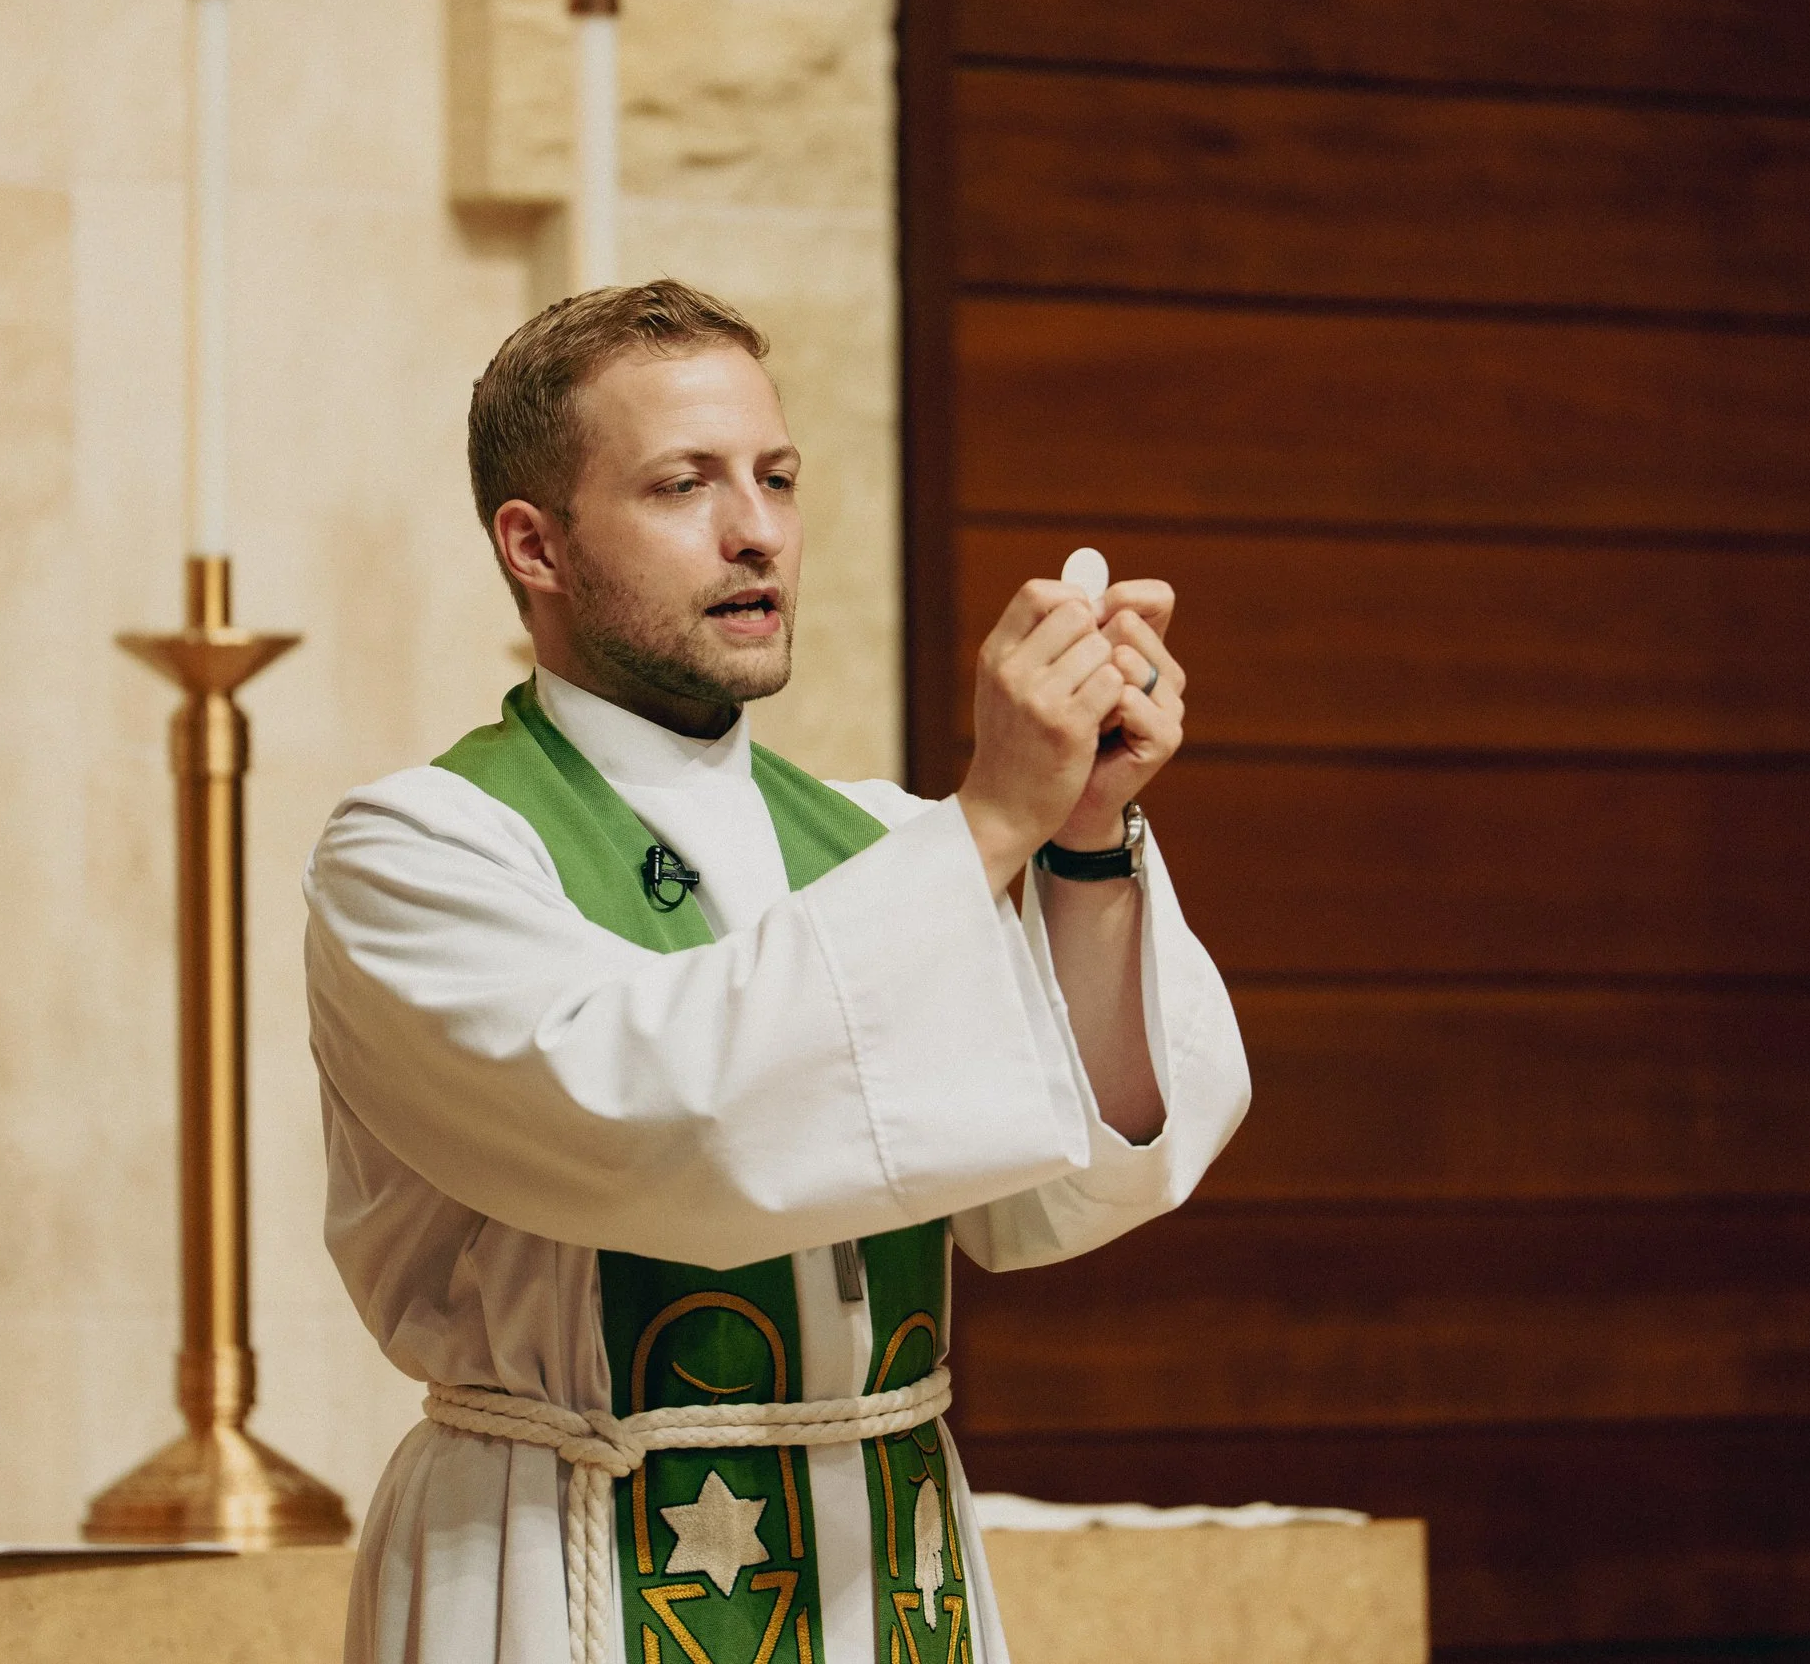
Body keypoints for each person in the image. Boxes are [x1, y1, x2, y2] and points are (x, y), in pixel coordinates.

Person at [305, 280, 1250, 1664]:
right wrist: (994, 820)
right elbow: (665, 1130)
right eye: (683, 484)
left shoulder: (873, 842)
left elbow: (1067, 1193)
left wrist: (1087, 838)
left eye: (778, 477)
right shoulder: (423, 851)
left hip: (887, 1556)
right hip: (564, 1551)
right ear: (536, 544)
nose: (755, 531)